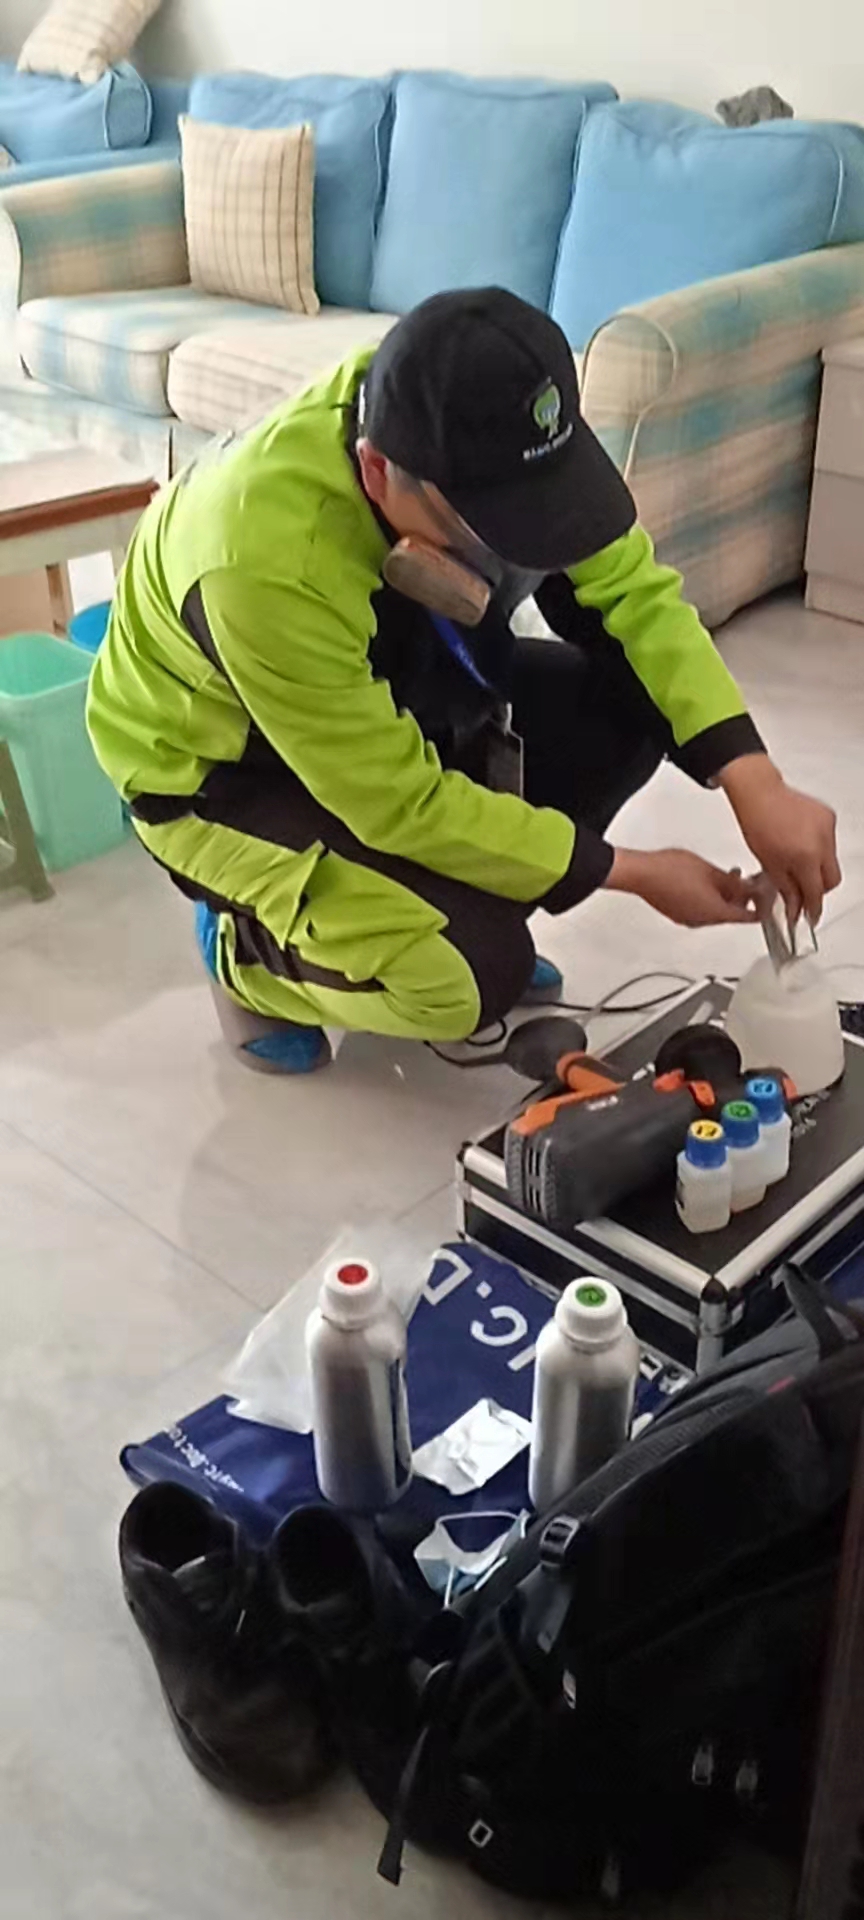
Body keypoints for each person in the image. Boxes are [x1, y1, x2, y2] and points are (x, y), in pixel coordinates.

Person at [87, 289, 840, 1074]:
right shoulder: (265, 562)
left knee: (621, 719)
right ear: (376, 472)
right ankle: (248, 951)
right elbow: (398, 802)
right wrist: (631, 872)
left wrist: (754, 779)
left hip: (364, 706)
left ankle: (455, 909)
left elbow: (633, 600)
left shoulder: (477, 416)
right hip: (219, 775)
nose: (526, 545)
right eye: (495, 527)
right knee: (469, 979)